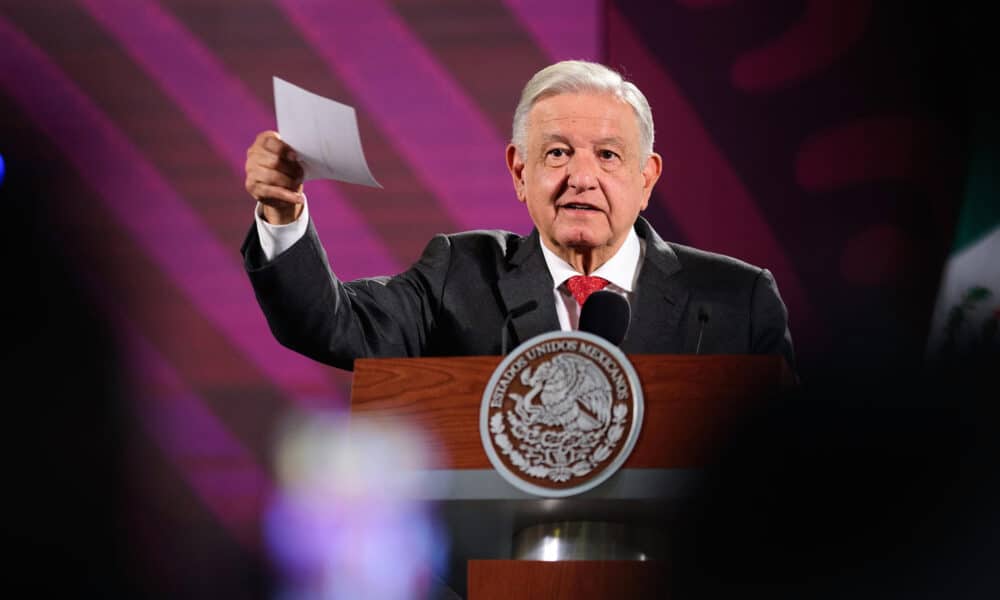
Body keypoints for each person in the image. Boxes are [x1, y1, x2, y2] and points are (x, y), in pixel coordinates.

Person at [241, 60, 795, 373]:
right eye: (557, 153)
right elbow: (335, 326)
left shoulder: (735, 301)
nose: (581, 176)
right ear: (519, 171)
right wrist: (283, 213)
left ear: (646, 178)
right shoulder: (459, 274)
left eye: (607, 155)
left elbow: (786, 465)